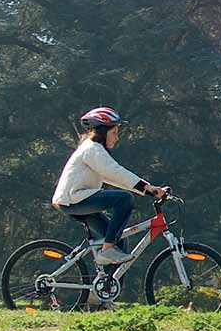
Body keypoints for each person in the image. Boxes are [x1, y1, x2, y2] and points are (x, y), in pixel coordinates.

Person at [52, 107, 166, 265]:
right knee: (124, 199)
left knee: (119, 243)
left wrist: (147, 190)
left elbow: (114, 179)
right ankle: (106, 250)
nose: (117, 138)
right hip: (73, 200)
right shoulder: (92, 149)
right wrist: (148, 188)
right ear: (101, 132)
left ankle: (106, 286)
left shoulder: (94, 150)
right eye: (114, 133)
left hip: (77, 201)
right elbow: (115, 172)